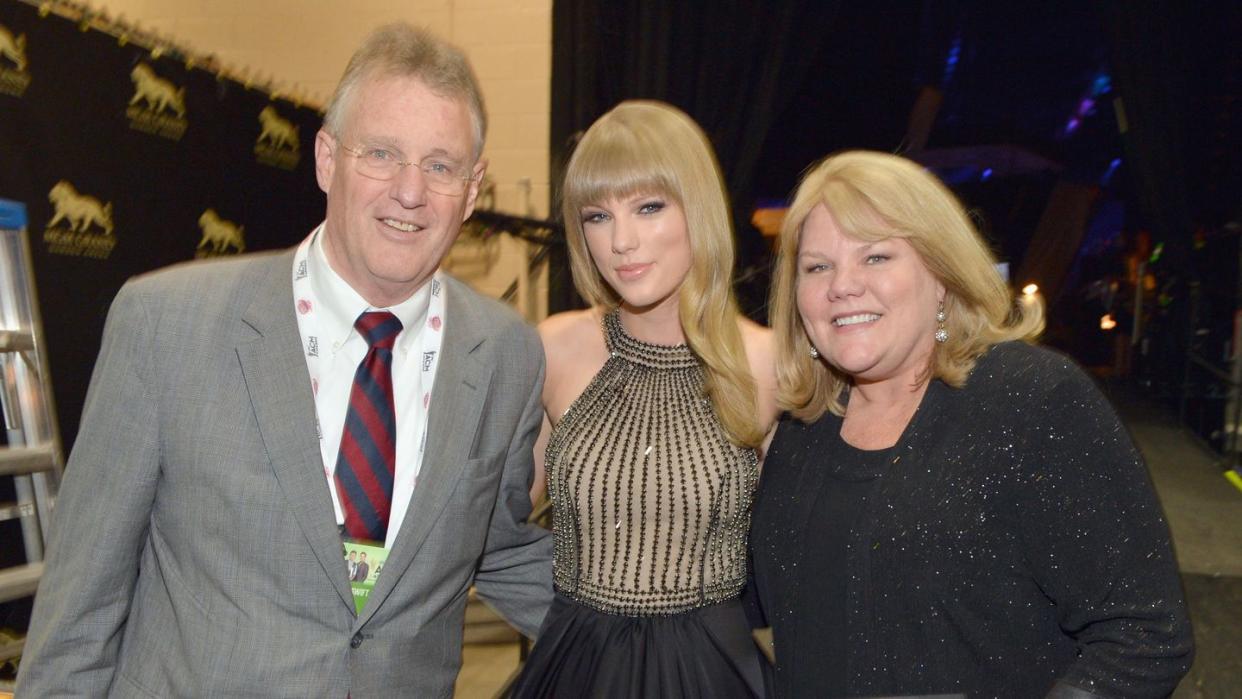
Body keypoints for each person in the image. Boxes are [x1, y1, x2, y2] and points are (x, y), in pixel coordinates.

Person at [17, 23, 552, 697]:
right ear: (327, 158)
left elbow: (494, 542)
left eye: (440, 166)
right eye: (381, 154)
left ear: (472, 191)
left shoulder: (506, 354)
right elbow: (79, 610)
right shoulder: (166, 324)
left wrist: (673, 621)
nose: (409, 191)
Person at [751, 150, 1194, 698]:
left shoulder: (1029, 400)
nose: (842, 285)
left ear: (941, 275)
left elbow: (1144, 634)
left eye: (876, 257)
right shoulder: (807, 423)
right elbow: (766, 595)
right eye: (818, 266)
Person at [510, 100, 779, 698]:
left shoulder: (769, 364)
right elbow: (485, 524)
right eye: (597, 216)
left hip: (714, 673)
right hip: (577, 668)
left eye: (649, 207)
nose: (621, 241)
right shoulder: (555, 348)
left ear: (698, 208)